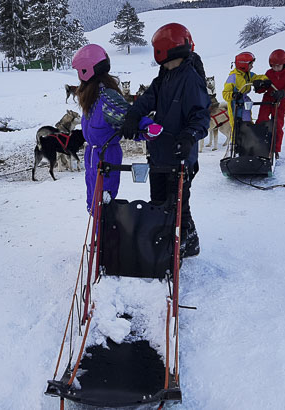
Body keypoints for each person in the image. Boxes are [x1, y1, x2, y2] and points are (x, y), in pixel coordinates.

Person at [121, 23, 210, 258]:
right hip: (160, 153)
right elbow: (148, 98)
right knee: (158, 201)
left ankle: (185, 240)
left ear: (169, 51)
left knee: (178, 204)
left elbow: (201, 116)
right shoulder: (165, 76)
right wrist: (133, 115)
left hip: (180, 155)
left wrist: (189, 137)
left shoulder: (190, 78)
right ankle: (168, 238)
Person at [71, 44, 158, 213]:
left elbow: (130, 118)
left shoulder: (107, 98)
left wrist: (149, 128)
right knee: (93, 204)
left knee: (103, 205)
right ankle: (98, 238)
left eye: (79, 71)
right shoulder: (92, 95)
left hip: (106, 156)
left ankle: (104, 238)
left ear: (87, 70)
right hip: (92, 156)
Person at [254, 49, 285, 159]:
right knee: (261, 120)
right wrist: (259, 87)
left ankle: (275, 149)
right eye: (273, 66)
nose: (276, 68)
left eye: (278, 66)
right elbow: (264, 88)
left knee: (277, 124)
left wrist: (283, 93)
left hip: (280, 101)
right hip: (268, 99)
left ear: (284, 64)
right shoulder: (269, 73)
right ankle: (259, 145)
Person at [222, 52, 269, 133]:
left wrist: (264, 80)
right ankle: (236, 143)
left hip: (244, 105)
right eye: (250, 64)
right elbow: (225, 93)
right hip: (235, 106)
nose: (252, 66)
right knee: (238, 128)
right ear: (243, 65)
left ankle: (247, 142)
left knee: (247, 125)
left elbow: (258, 77)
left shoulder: (247, 75)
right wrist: (233, 95)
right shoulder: (233, 77)